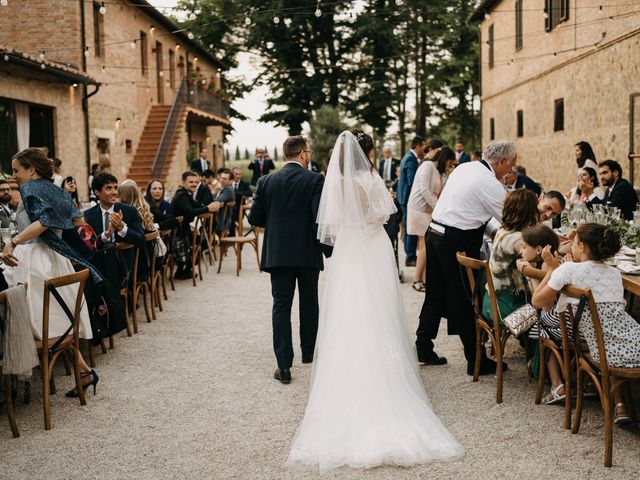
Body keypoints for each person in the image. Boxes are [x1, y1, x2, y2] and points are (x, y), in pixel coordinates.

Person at [286, 129, 463, 473]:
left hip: (350, 253)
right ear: (365, 152)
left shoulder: (334, 180)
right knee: (378, 311)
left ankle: (347, 380)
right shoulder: (367, 177)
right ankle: (385, 382)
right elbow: (383, 213)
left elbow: (335, 223)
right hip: (370, 247)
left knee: (350, 312)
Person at [1, 147, 99, 397]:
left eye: (17, 171)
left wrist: (13, 241)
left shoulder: (31, 188)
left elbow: (43, 222)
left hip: (34, 260)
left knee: (27, 317)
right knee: (57, 318)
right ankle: (85, 371)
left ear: (31, 170)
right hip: (56, 259)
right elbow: (78, 220)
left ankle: (12, 379)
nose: (14, 176)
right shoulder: (57, 190)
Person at [416, 139, 517, 374]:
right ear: (501, 161)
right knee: (464, 299)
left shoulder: (465, 168)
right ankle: (476, 360)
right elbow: (511, 219)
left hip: (434, 233)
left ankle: (423, 345)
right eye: (510, 165)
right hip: (454, 241)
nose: (511, 170)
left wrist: (495, 231)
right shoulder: (490, 183)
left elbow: (479, 211)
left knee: (435, 293)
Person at [531, 223, 640, 422]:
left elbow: (537, 302)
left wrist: (553, 269)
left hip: (604, 353)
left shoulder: (568, 269)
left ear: (581, 247)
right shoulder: (615, 273)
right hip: (634, 343)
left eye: (573, 242)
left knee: (542, 323)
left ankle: (560, 382)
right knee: (609, 333)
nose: (571, 246)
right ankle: (620, 403)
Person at [248, 136, 330, 384]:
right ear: (303, 154)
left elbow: (255, 218)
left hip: (279, 253)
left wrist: (277, 224)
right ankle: (309, 355)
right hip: (306, 251)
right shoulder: (315, 179)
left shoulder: (265, 181)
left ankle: (283, 366)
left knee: (281, 307)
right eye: (310, 152)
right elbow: (319, 217)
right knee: (309, 302)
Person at [481, 189, 540, 320]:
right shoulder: (519, 239)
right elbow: (539, 261)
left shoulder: (503, 230)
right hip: (508, 307)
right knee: (547, 308)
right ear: (529, 212)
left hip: (490, 300)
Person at [406, 144, 451, 292]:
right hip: (419, 209)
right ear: (444, 158)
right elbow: (424, 190)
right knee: (424, 245)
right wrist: (438, 207)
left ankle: (425, 280)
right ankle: (416, 280)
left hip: (428, 210)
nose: (450, 165)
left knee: (425, 245)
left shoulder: (438, 171)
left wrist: (450, 173)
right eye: (449, 162)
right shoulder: (427, 166)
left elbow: (442, 190)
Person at [170, 171, 221, 279]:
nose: (194, 184)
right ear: (183, 183)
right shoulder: (181, 195)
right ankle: (183, 269)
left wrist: (212, 205)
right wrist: (208, 208)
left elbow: (197, 205)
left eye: (196, 182)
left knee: (198, 239)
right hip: (176, 233)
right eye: (191, 182)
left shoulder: (186, 194)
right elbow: (190, 212)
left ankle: (185, 269)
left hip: (183, 229)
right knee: (198, 240)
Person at [84, 173, 145, 250]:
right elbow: (88, 245)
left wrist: (122, 228)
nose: (114, 192)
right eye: (109, 188)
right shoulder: (89, 215)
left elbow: (142, 240)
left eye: (115, 188)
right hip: (98, 259)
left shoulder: (130, 211)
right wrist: (106, 235)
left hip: (122, 260)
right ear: (97, 192)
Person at [397, 136, 426, 267]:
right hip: (408, 198)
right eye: (423, 146)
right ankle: (410, 257)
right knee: (410, 227)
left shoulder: (407, 157)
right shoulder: (411, 159)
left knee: (408, 225)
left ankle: (410, 255)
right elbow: (412, 181)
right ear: (418, 146)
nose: (424, 149)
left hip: (404, 197)